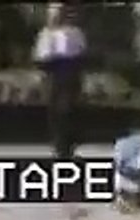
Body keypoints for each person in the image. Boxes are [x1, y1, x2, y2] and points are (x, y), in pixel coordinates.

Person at [33, 3, 87, 159]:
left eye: (59, 12)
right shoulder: (46, 33)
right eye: (54, 13)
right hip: (53, 73)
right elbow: (41, 57)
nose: (57, 16)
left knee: (70, 110)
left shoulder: (75, 32)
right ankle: (59, 146)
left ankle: (68, 146)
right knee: (56, 111)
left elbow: (81, 52)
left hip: (71, 72)